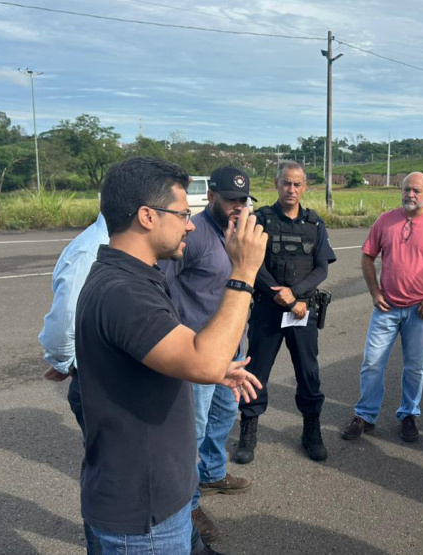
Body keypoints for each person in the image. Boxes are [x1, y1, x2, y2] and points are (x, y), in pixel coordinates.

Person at [75, 156, 265, 555]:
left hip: (149, 498)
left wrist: (209, 368)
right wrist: (244, 272)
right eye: (182, 215)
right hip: (144, 517)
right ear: (147, 216)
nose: (190, 225)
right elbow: (203, 360)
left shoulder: (131, 276)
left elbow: (162, 353)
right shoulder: (124, 291)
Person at [160, 166, 257, 546]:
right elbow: (163, 288)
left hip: (231, 352)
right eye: (231, 199)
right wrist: (178, 344)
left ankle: (213, 473)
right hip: (198, 355)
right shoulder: (193, 234)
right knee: (193, 430)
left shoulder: (239, 235)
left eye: (243, 199)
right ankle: (189, 506)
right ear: (212, 196)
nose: (238, 206)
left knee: (222, 417)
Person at [342, 171, 423, 443]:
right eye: (407, 189)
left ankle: (409, 414)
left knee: (414, 366)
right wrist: (375, 292)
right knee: (372, 363)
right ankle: (365, 415)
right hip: (386, 308)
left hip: (420, 311)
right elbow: (367, 256)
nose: (410, 194)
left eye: (417, 190)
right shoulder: (385, 221)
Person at [234, 161, 337, 464]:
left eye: (297, 184)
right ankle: (248, 429)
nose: (291, 189)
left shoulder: (315, 224)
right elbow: (252, 265)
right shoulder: (260, 220)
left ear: (304, 187)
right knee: (256, 372)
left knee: (308, 373)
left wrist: (296, 293)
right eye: (286, 183)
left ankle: (311, 431)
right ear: (276, 184)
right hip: (268, 309)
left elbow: (321, 268)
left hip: (303, 311)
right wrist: (283, 297)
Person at [38, 212, 108, 555]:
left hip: (109, 379)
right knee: (106, 476)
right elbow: (63, 324)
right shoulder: (92, 250)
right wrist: (66, 362)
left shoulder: (109, 244)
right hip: (97, 381)